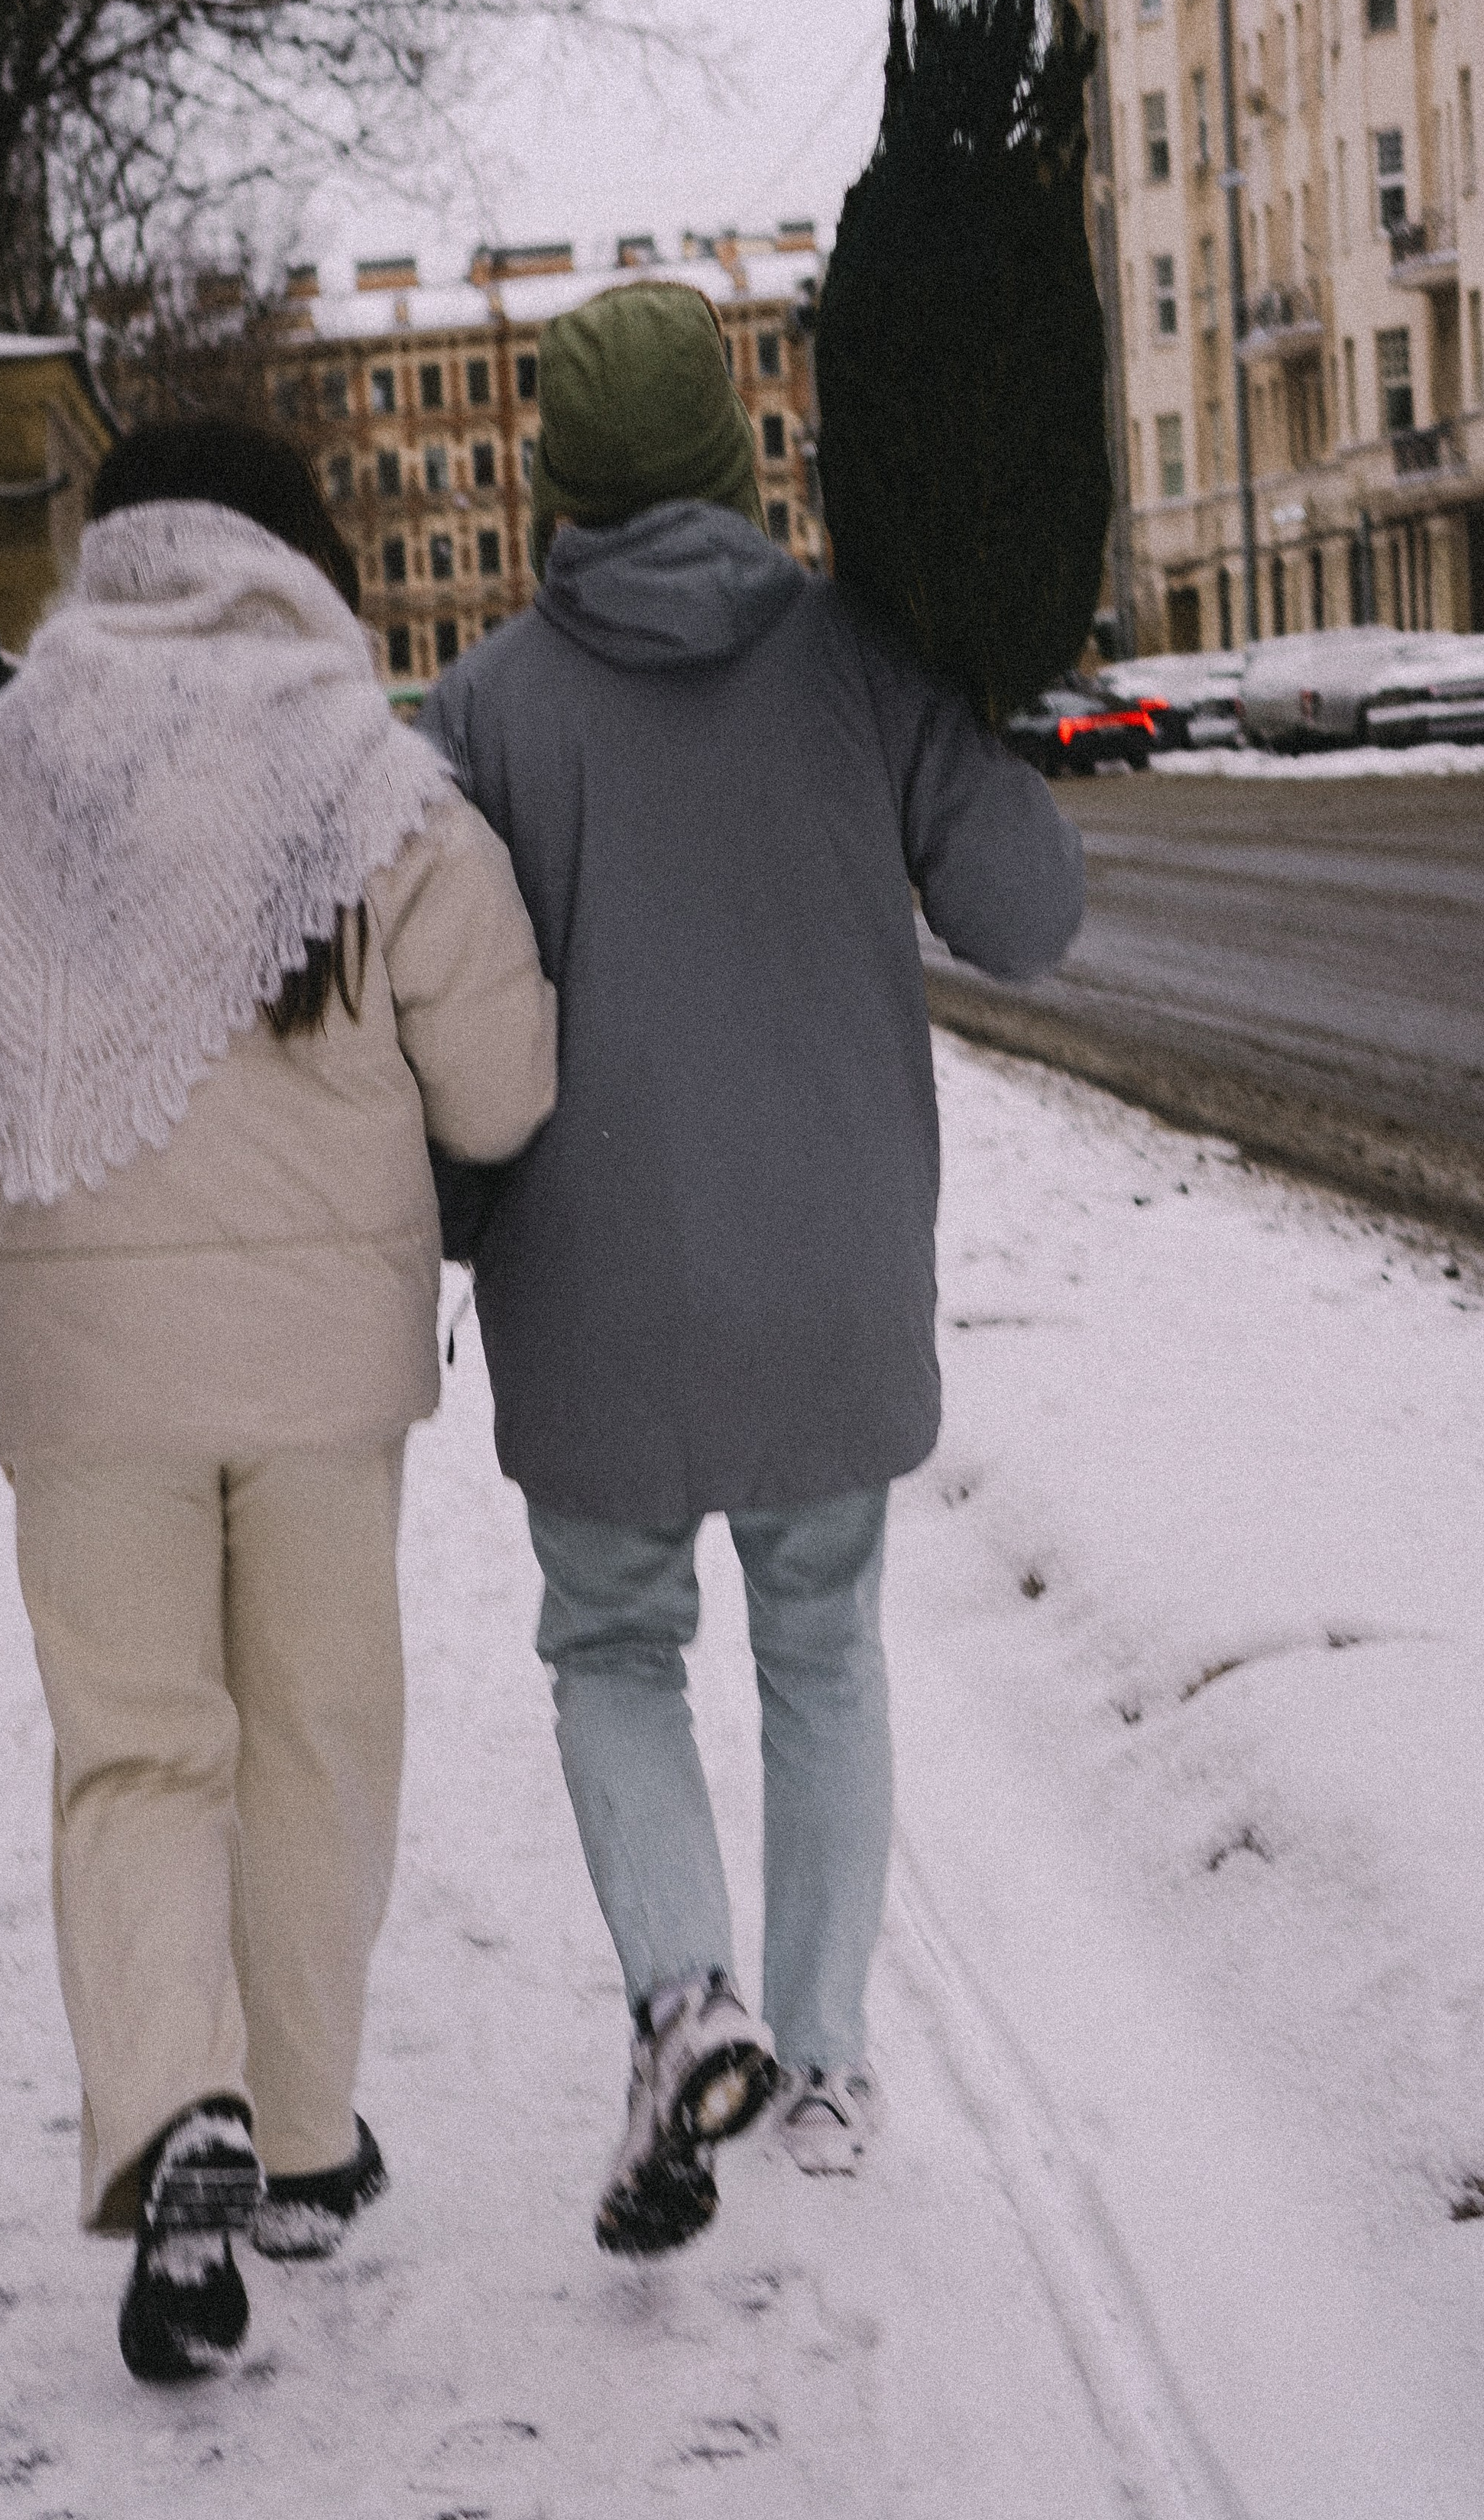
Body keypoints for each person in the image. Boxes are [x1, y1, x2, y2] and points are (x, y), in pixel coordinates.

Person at [419, 281, 1083, 2256]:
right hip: (830, 1282)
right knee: (822, 1649)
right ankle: (823, 2056)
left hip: (595, 1281)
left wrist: (450, 1237)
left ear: (548, 474)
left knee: (614, 1649)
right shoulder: (870, 663)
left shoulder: (484, 710)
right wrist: (979, 719)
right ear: (739, 451)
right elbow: (1032, 920)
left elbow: (449, 1024)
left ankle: (682, 1990)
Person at [0, 416, 556, 2379]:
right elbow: (503, 1093)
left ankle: (167, 2115)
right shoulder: (376, 782)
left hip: (84, 1379)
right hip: (320, 1378)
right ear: (297, 552)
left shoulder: (8, 777)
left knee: (132, 1753)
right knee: (313, 1740)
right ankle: (302, 2141)